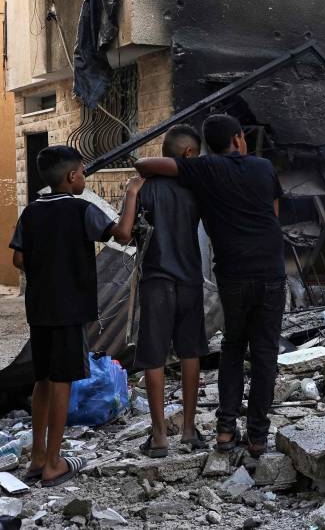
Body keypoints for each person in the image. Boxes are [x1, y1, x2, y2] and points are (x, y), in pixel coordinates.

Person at [135, 114, 285, 457]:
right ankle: (258, 436)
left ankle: (225, 430)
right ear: (237, 139)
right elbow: (273, 215)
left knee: (233, 346)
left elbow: (143, 163)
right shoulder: (263, 167)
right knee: (264, 352)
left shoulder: (203, 170)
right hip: (270, 272)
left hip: (231, 274)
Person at [10, 146, 142, 487]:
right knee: (63, 382)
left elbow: (19, 261)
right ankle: (54, 463)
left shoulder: (31, 212)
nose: (84, 177)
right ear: (71, 177)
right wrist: (131, 193)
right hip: (69, 311)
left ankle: (37, 458)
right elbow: (124, 235)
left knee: (42, 380)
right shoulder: (82, 209)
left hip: (39, 310)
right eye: (83, 172)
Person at [133, 125, 208, 458]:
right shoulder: (196, 188)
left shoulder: (144, 188)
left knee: (154, 356)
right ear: (189, 154)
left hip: (156, 280)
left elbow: (128, 232)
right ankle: (189, 430)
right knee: (191, 352)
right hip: (190, 277)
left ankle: (160, 435)